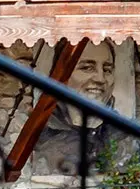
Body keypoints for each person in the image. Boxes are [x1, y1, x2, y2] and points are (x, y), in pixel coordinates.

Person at [32, 41, 115, 176]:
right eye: (87, 67)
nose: (100, 78)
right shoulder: (44, 136)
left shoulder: (121, 136)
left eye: (107, 70)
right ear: (61, 74)